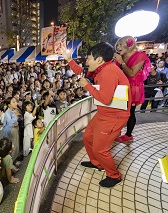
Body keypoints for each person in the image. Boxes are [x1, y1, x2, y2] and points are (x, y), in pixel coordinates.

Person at [62, 42, 131, 188]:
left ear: (99, 59)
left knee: (100, 149)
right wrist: (69, 60)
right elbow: (81, 72)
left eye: (88, 58)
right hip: (104, 112)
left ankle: (114, 175)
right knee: (87, 137)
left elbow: (105, 99)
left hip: (114, 116)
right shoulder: (101, 68)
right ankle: (97, 163)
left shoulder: (109, 72)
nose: (86, 61)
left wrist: (87, 86)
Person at [113, 36, 151, 143]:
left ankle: (128, 135)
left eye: (121, 44)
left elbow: (131, 73)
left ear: (129, 44)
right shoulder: (121, 56)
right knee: (118, 110)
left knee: (130, 112)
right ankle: (117, 132)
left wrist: (121, 62)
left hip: (133, 88)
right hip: (122, 86)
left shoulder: (140, 55)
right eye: (118, 44)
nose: (118, 47)